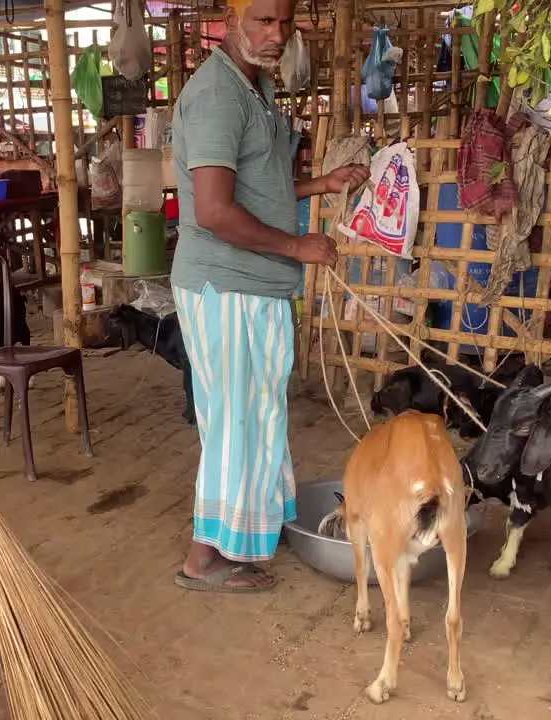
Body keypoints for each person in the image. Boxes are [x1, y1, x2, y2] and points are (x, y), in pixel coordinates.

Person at [170, 0, 369, 593]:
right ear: (228, 21)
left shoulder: (253, 88)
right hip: (225, 286)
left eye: (284, 22)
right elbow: (212, 212)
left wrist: (320, 184)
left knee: (258, 417)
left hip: (249, 287)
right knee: (234, 424)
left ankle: (252, 525)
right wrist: (295, 247)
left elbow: (258, 186)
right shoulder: (216, 97)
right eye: (262, 20)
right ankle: (203, 559)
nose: (276, 34)